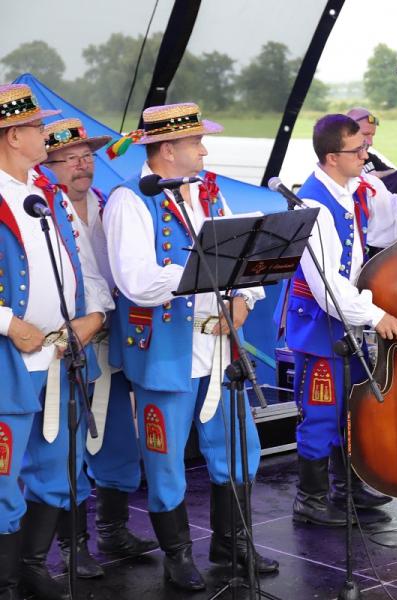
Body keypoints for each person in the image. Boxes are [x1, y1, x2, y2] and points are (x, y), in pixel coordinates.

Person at [103, 102, 277, 590]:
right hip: (165, 349)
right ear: (166, 148)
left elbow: (242, 251)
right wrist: (203, 276)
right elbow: (135, 280)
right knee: (165, 456)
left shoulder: (208, 191)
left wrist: (242, 298)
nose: (204, 150)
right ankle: (177, 554)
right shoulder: (129, 200)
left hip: (219, 346)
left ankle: (231, 541)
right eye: (196, 142)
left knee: (238, 445)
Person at [278, 114, 397, 526]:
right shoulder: (314, 204)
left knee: (352, 407)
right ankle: (310, 500)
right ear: (332, 157)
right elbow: (327, 285)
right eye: (358, 150)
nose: (366, 155)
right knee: (322, 413)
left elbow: (386, 229)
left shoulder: (350, 190)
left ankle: (346, 486)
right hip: (319, 325)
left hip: (346, 320)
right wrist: (376, 315)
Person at [0, 82, 113, 600]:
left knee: (56, 468)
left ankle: (31, 567)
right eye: (37, 127)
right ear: (12, 135)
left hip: (60, 353)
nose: (45, 134)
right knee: (3, 478)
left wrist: (92, 317)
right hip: (10, 355)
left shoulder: (50, 193)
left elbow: (83, 266)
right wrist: (8, 323)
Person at [42, 118, 158, 577]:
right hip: (68, 345)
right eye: (70, 158)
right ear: (48, 165)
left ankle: (112, 529)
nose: (82, 165)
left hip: (113, 342)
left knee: (118, 442)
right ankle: (73, 547)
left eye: (86, 156)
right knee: (66, 446)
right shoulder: (42, 213)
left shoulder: (110, 205)